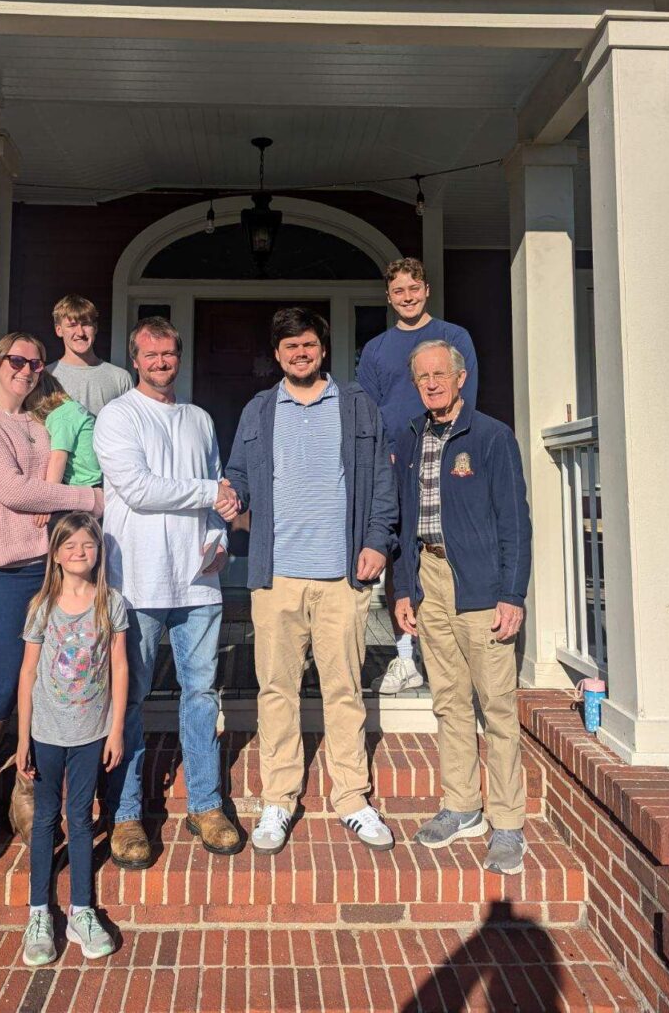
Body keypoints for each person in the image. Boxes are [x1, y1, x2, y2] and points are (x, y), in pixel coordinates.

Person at [226, 307, 398, 855]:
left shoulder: (355, 406)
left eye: (307, 345)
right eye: (289, 348)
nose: (299, 354)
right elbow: (238, 477)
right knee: (276, 690)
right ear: (277, 356)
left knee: (343, 689)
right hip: (275, 576)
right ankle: (279, 796)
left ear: (322, 349)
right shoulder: (258, 411)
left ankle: (351, 797)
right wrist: (234, 502)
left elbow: (381, 482)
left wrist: (376, 542)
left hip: (340, 577)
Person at [0, 334, 105, 883]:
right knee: (0, 682)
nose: (27, 370)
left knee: (47, 684)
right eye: (17, 360)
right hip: (6, 573)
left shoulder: (39, 423)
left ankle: (24, 800)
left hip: (53, 571)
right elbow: (16, 492)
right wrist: (91, 500)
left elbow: (53, 480)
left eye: (36, 364)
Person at [93, 317, 241, 866]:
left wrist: (219, 538)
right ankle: (127, 813)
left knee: (201, 698)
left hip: (199, 583)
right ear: (136, 359)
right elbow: (136, 489)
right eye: (150, 354)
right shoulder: (118, 416)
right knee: (128, 701)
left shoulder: (199, 419)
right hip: (137, 581)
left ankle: (205, 804)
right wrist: (211, 493)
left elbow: (219, 489)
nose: (160, 362)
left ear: (179, 355)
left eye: (168, 353)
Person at [393, 340, 531, 875]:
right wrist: (404, 588)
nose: (430, 383)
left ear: (460, 378)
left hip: (480, 584)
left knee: (495, 704)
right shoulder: (412, 438)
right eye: (421, 376)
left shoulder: (492, 437)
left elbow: (515, 522)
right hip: (429, 577)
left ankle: (509, 823)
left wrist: (511, 594)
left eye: (438, 374)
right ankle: (461, 805)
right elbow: (405, 522)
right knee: (448, 700)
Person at [357, 257, 479, 696]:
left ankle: (452, 651)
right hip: (392, 462)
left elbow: (468, 401)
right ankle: (405, 656)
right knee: (398, 554)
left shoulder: (452, 337)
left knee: (445, 548)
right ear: (389, 297)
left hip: (439, 459)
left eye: (414, 288)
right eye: (398, 291)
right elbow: (367, 411)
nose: (407, 296)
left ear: (426, 290)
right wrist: (378, 457)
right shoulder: (375, 349)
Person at [16, 513, 128, 967]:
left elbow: (120, 669)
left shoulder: (111, 603)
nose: (80, 552)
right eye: (70, 545)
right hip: (46, 732)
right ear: (56, 553)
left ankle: (81, 910)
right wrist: (21, 737)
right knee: (46, 818)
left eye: (88, 544)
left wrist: (116, 728)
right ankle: (39, 913)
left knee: (80, 818)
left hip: (91, 733)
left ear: (98, 551)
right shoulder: (42, 606)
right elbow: (27, 674)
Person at [46, 294, 133, 416]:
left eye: (86, 324)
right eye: (72, 325)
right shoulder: (47, 376)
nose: (80, 332)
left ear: (95, 328)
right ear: (59, 330)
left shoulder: (120, 378)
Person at [28, 374, 103, 493]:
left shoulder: (60, 416)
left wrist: (48, 498)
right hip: (98, 482)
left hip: (83, 486)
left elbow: (58, 458)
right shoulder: (73, 407)